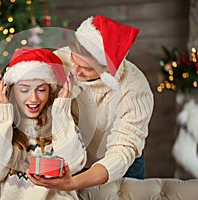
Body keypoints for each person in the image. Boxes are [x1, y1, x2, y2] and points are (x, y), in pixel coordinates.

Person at [27, 15, 154, 199]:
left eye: (86, 68)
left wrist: (73, 183)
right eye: (74, 60)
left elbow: (122, 151)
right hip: (73, 156)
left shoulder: (134, 89)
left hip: (118, 164)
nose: (75, 70)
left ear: (107, 71)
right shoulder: (61, 60)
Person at [0, 47, 87, 200]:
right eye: (24, 90)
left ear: (50, 90)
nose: (33, 98)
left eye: (41, 90)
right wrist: (3, 116)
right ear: (12, 89)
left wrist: (61, 112)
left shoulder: (61, 119)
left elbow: (74, 165)